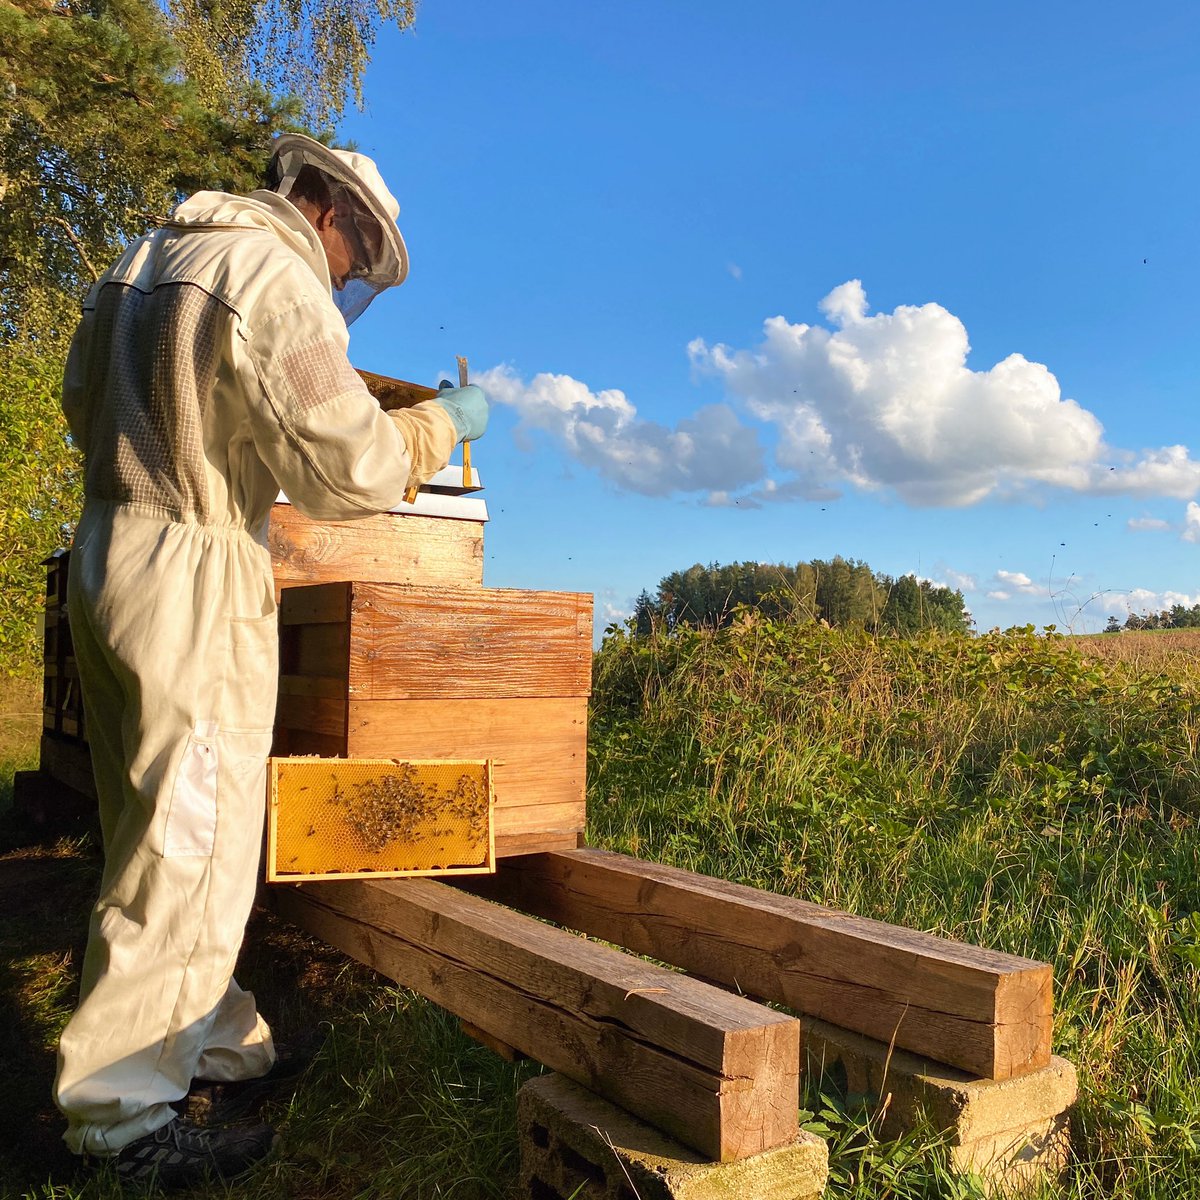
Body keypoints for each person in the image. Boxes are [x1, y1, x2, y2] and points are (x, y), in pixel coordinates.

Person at [52, 132, 488, 1187]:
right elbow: (354, 473)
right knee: (189, 842)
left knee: (149, 825)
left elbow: (80, 405)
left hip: (108, 551)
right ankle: (121, 1121)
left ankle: (211, 1040)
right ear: (330, 211)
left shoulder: (143, 259)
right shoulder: (269, 277)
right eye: (354, 261)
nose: (343, 282)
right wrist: (438, 422)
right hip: (192, 572)